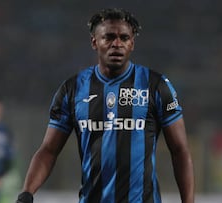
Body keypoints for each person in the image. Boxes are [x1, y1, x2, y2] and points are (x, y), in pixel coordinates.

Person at [16, 8, 194, 203]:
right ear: (94, 42)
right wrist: (27, 192)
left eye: (124, 38)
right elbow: (49, 150)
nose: (116, 44)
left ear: (132, 43)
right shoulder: (73, 89)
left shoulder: (156, 86)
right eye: (108, 37)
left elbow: (180, 150)